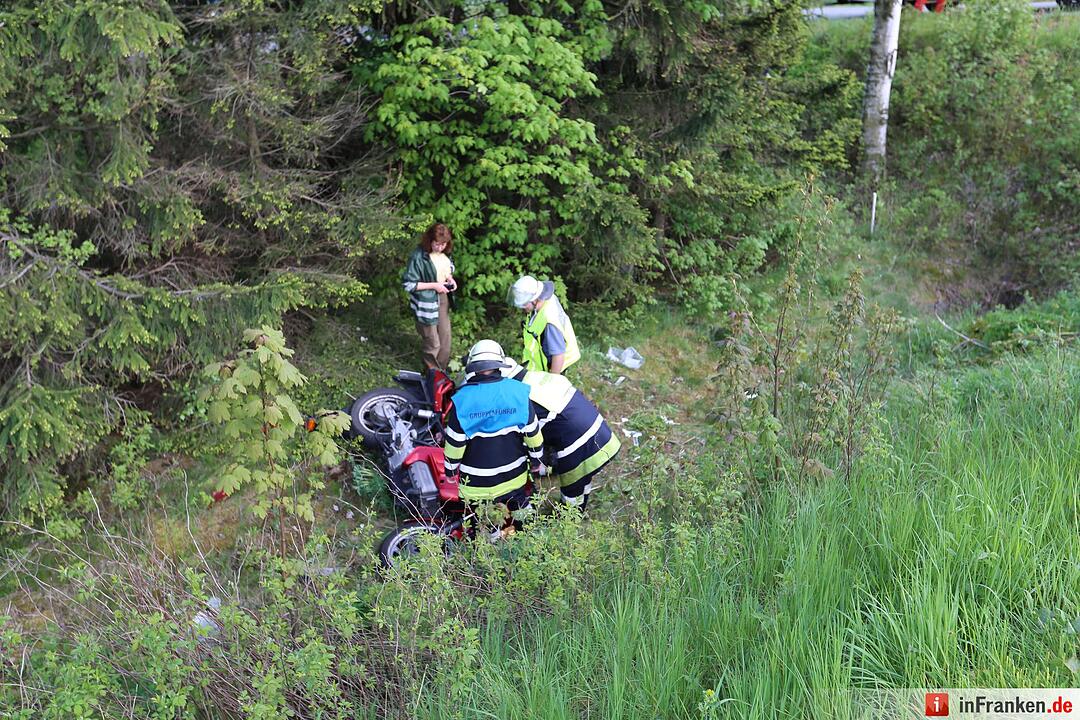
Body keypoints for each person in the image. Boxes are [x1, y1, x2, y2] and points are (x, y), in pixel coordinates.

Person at [443, 340, 543, 525]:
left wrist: (450, 472)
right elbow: (533, 434)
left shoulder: (461, 400)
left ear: (473, 366)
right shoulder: (518, 392)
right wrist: (536, 461)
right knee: (523, 514)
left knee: (485, 524)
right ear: (500, 364)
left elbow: (455, 445)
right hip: (514, 478)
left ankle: (492, 537)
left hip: (477, 485)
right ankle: (529, 534)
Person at [500, 358, 619, 511]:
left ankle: (569, 520)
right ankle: (579, 508)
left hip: (577, 440)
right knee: (583, 477)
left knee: (572, 489)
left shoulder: (520, 395)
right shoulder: (538, 377)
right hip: (601, 432)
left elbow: (525, 434)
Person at [402, 223, 457, 370]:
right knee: (433, 343)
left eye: (443, 244)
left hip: (442, 299)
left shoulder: (444, 254)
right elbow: (408, 284)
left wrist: (450, 279)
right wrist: (434, 285)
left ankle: (441, 371)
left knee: (445, 340)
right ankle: (431, 373)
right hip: (425, 303)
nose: (439, 248)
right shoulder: (418, 257)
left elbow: (447, 268)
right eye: (437, 244)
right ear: (429, 240)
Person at [507, 275, 580, 374]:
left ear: (534, 300)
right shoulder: (543, 303)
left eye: (524, 304)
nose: (522, 308)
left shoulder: (549, 321)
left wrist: (552, 378)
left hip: (549, 369)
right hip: (536, 367)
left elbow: (558, 355)